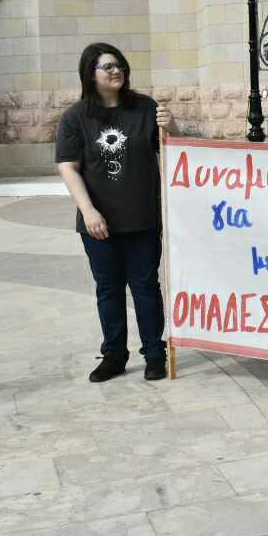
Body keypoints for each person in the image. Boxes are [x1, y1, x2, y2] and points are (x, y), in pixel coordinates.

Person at [56, 43, 176, 383]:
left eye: (119, 64)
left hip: (142, 220)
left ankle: (154, 353)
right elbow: (68, 167)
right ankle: (114, 355)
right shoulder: (76, 117)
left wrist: (174, 128)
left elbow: (171, 152)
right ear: (90, 74)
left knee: (146, 287)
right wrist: (89, 210)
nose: (115, 70)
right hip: (99, 224)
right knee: (108, 289)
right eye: (107, 66)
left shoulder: (145, 108)